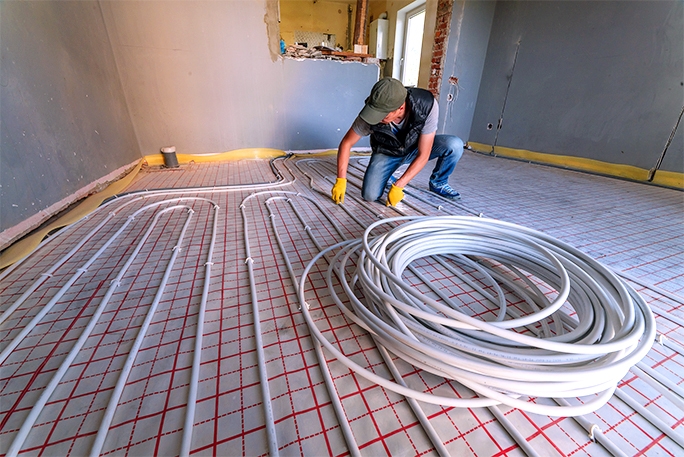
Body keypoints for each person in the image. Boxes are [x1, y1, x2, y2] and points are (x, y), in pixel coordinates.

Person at [331, 77, 464, 206]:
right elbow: (346, 143)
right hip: (388, 151)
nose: (377, 118)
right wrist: (341, 180)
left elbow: (424, 154)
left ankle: (438, 182)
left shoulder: (427, 105)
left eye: (384, 115)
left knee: (454, 145)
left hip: (415, 147)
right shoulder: (371, 112)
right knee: (370, 195)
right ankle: (387, 176)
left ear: (401, 107)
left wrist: (399, 185)